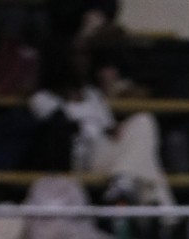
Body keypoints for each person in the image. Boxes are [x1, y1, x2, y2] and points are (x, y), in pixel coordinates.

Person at [27, 41, 174, 209]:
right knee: (146, 167)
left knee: (143, 120)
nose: (83, 61)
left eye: (85, 56)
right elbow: (57, 132)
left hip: (104, 152)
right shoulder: (44, 98)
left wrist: (114, 130)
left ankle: (124, 182)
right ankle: (163, 213)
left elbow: (108, 126)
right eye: (76, 55)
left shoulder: (92, 94)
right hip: (80, 157)